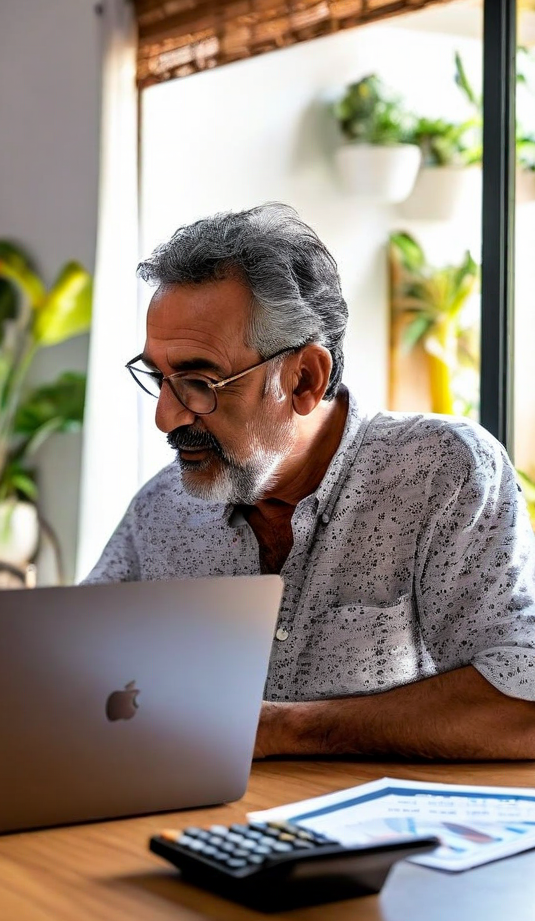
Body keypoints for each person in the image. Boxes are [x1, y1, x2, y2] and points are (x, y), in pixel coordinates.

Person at [85, 202, 535, 760]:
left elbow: (524, 701)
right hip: (198, 829)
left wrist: (285, 729)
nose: (167, 416)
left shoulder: (442, 472)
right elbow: (77, 661)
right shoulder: (161, 508)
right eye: (159, 378)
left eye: (200, 380)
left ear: (304, 378)